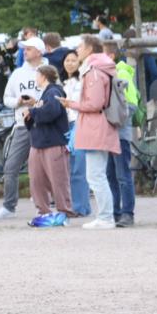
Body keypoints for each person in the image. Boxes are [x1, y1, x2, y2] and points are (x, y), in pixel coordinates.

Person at [56, 35, 120, 230]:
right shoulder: (101, 68)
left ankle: (105, 217)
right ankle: (105, 216)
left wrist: (71, 104)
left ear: (90, 49)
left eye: (80, 46)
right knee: (97, 175)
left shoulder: (93, 72)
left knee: (95, 176)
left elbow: (95, 103)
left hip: (95, 127)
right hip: (99, 126)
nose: (77, 49)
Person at [0, 36, 47, 220]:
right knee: (11, 165)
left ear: (39, 51)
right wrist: (18, 102)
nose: (25, 51)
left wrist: (36, 103)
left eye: (29, 49)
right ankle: (9, 206)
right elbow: (6, 98)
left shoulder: (49, 71)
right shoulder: (17, 74)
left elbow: (56, 96)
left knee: (43, 168)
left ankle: (45, 204)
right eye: (24, 48)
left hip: (44, 124)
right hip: (22, 125)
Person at [23, 65, 72, 227]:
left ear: (43, 76)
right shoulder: (44, 94)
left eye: (37, 75)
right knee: (37, 180)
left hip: (53, 142)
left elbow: (51, 111)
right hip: (38, 142)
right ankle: (43, 211)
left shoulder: (54, 91)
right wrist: (32, 111)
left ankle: (64, 212)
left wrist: (32, 112)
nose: (36, 78)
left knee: (58, 179)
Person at [103, 40, 138, 227]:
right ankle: (115, 212)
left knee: (123, 175)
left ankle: (127, 213)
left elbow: (131, 105)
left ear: (110, 56)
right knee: (111, 175)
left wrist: (111, 118)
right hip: (110, 135)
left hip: (119, 134)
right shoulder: (110, 74)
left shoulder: (121, 73)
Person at [61, 50, 91, 217]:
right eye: (67, 60)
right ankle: (77, 205)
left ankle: (80, 207)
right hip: (63, 126)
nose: (70, 63)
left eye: (73, 60)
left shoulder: (83, 81)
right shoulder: (61, 82)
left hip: (79, 124)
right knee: (67, 169)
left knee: (78, 168)